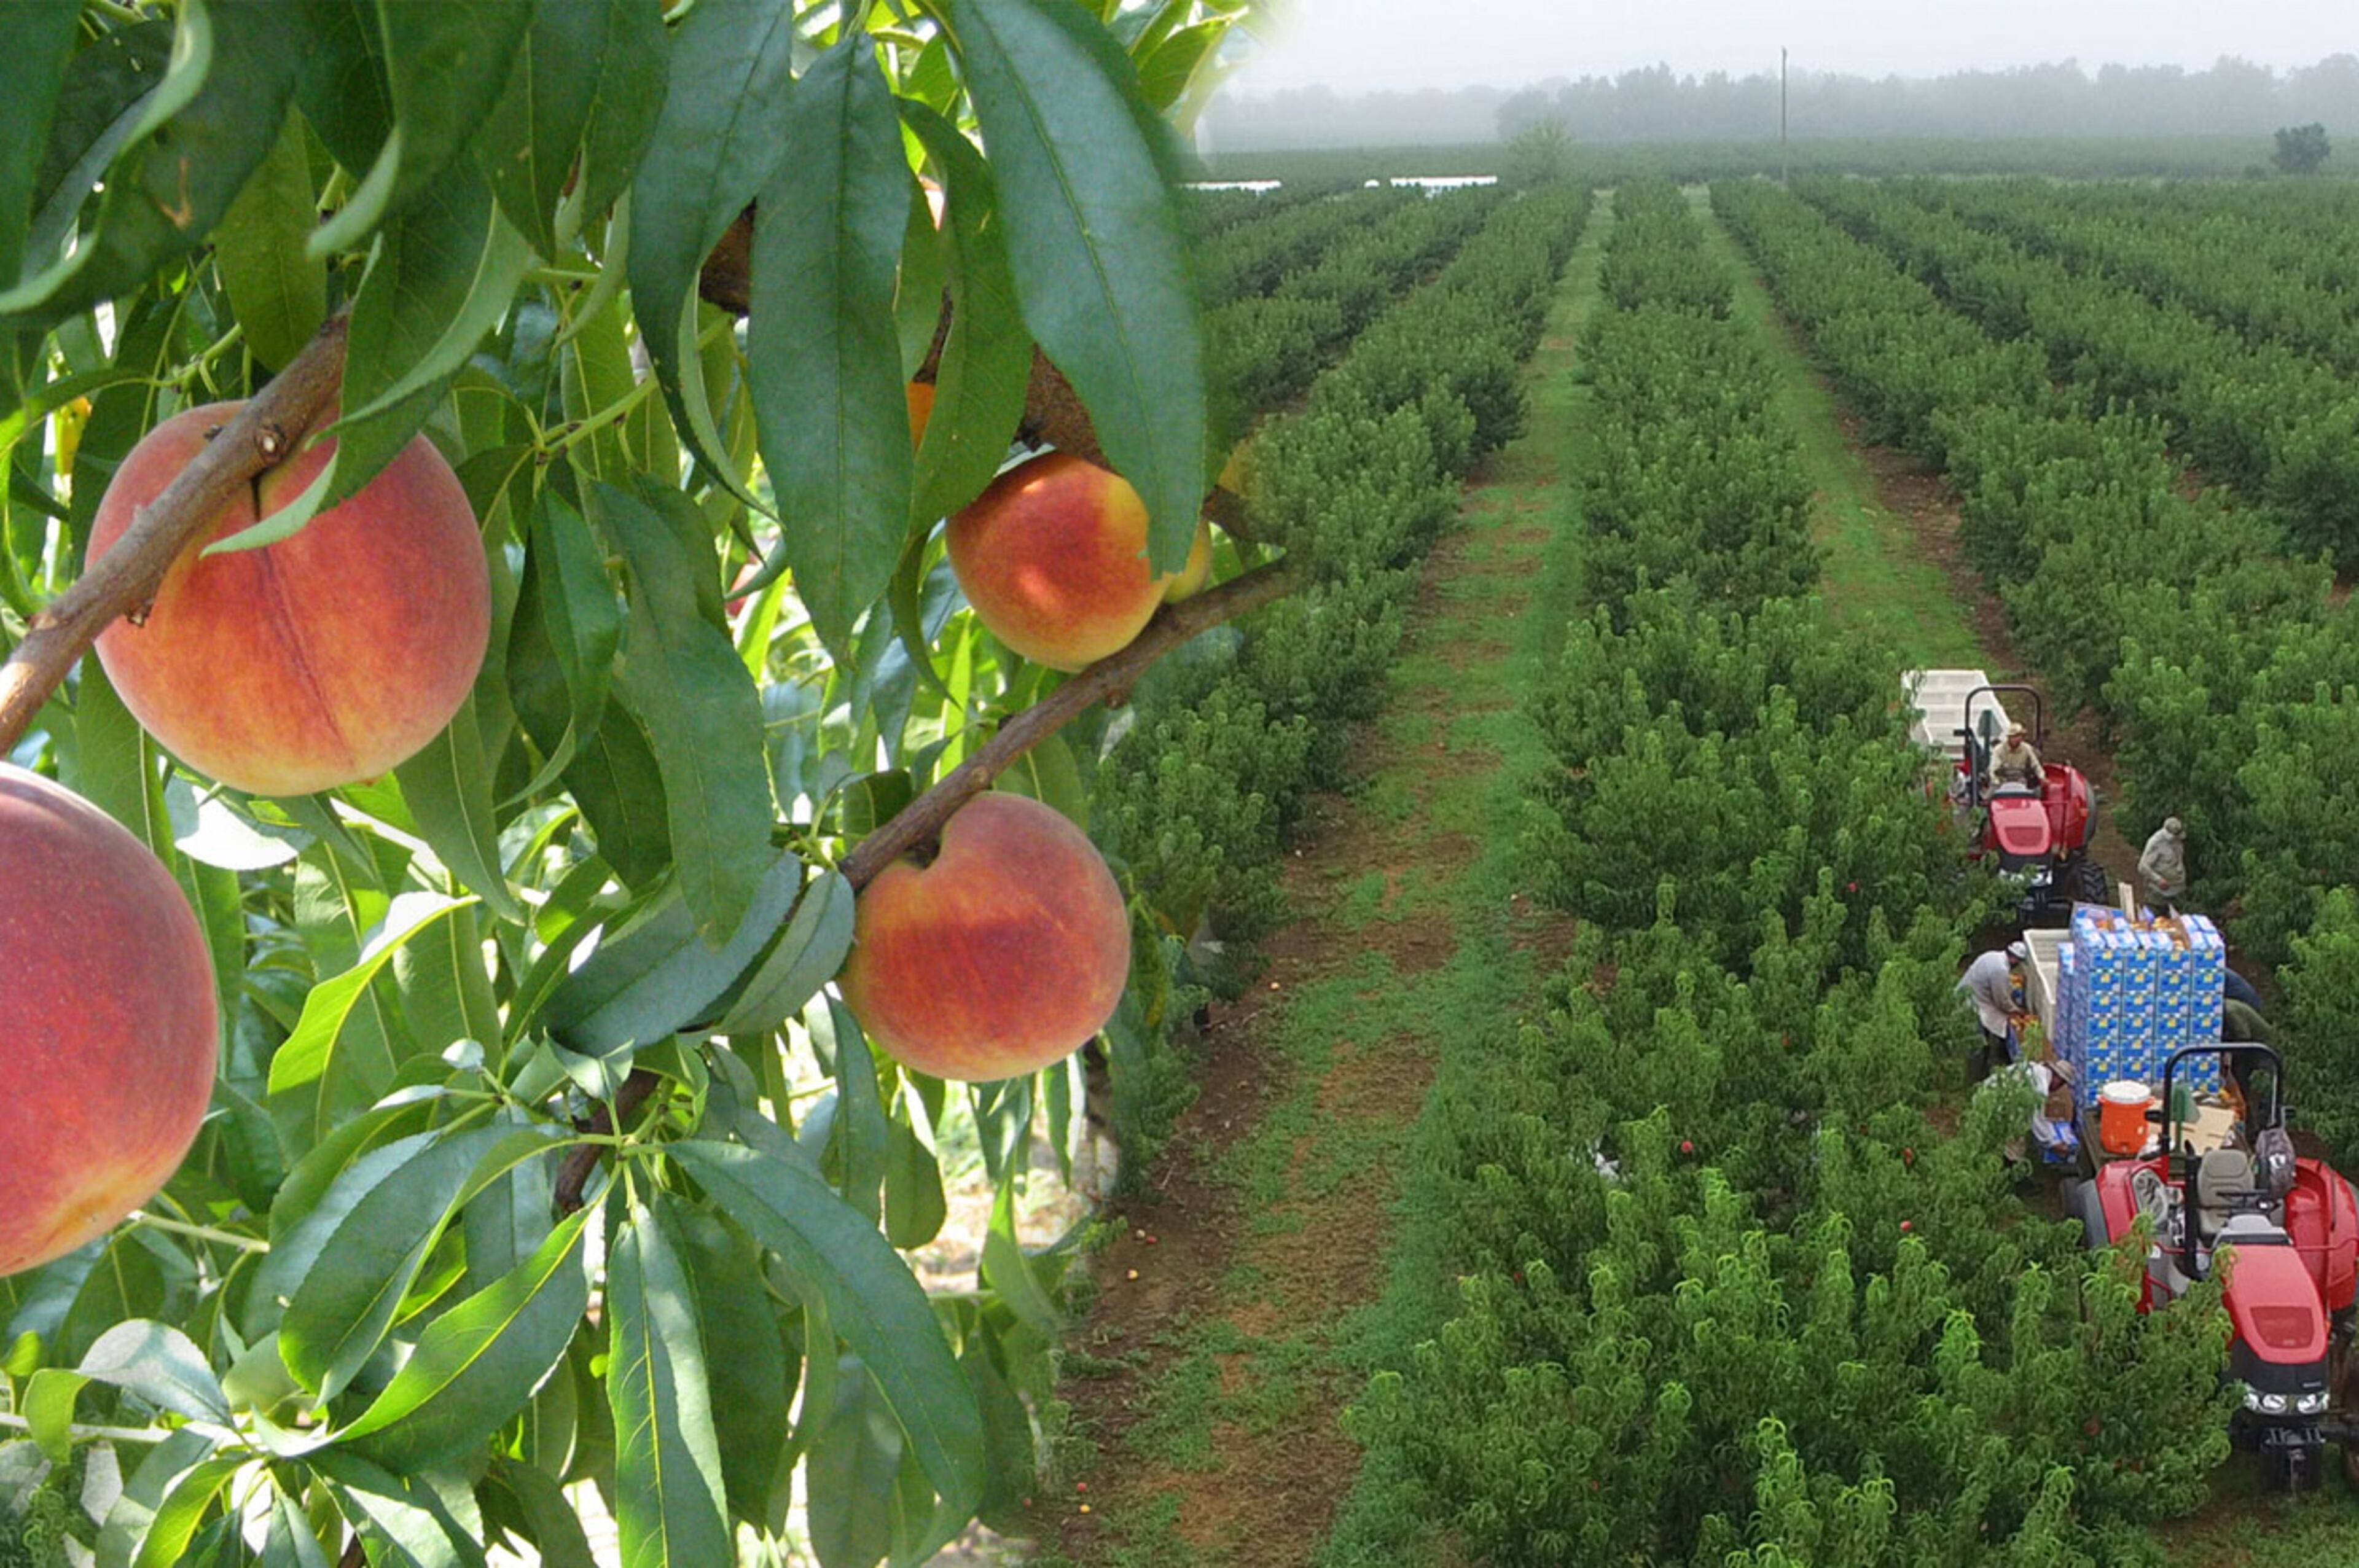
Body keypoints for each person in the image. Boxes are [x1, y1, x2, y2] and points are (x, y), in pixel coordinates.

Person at [1957, 941, 2026, 1083]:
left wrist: (2013, 993)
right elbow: (2001, 1000)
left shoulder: (1993, 956)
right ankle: (1974, 1080)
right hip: (1972, 1005)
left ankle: (1981, 1072)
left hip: (1972, 997)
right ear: (2015, 959)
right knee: (1977, 1045)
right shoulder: (2000, 969)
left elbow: (2005, 987)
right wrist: (2016, 1011)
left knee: (1984, 1040)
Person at [2139, 816, 2188, 912]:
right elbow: (2143, 867)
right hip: (2160, 893)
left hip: (2178, 889)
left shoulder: (2178, 841)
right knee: (2159, 919)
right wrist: (2158, 880)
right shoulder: (2156, 843)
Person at [1987, 724, 2044, 792]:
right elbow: (1993, 769)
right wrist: (1997, 782)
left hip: (2021, 782)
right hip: (2002, 783)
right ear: (2009, 737)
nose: (2016, 739)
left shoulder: (2027, 748)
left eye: (2018, 736)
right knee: (1988, 799)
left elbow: (2036, 765)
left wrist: (2042, 777)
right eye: (2014, 737)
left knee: (2037, 795)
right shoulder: (1999, 750)